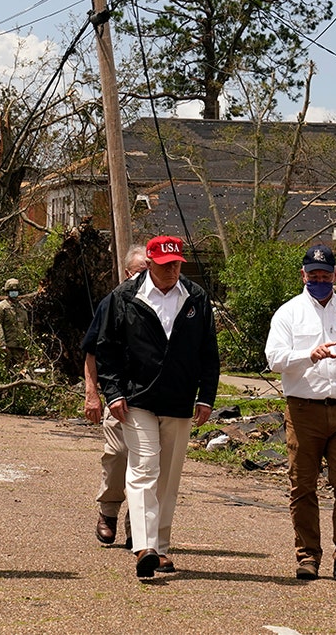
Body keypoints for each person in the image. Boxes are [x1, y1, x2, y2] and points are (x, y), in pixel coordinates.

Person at [95, 235, 218, 578]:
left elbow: (209, 350)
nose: (172, 271)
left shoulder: (195, 297)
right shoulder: (124, 297)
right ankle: (144, 548)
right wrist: (114, 392)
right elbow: (106, 349)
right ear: (149, 264)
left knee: (168, 477)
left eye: (177, 264)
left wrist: (206, 394)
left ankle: (161, 548)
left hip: (179, 400)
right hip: (138, 399)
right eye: (165, 266)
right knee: (144, 469)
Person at [264, 244, 336, 585]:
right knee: (302, 486)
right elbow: (274, 359)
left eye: (324, 275)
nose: (319, 280)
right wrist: (307, 355)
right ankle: (308, 556)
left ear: (334, 276)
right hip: (303, 411)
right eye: (312, 275)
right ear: (303, 275)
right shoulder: (289, 313)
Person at [82, 245, 148, 548]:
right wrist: (92, 393)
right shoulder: (113, 302)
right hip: (118, 394)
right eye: (141, 269)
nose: (147, 275)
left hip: (151, 395)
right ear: (127, 272)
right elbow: (92, 351)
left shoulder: (168, 302)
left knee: (146, 463)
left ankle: (138, 525)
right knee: (119, 456)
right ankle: (108, 512)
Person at [0, 278, 31, 367]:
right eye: (11, 291)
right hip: (6, 348)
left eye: (16, 291)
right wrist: (1, 345)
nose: (14, 293)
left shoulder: (22, 308)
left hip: (20, 349)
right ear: (7, 292)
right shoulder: (1, 307)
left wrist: (27, 347)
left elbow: (26, 328)